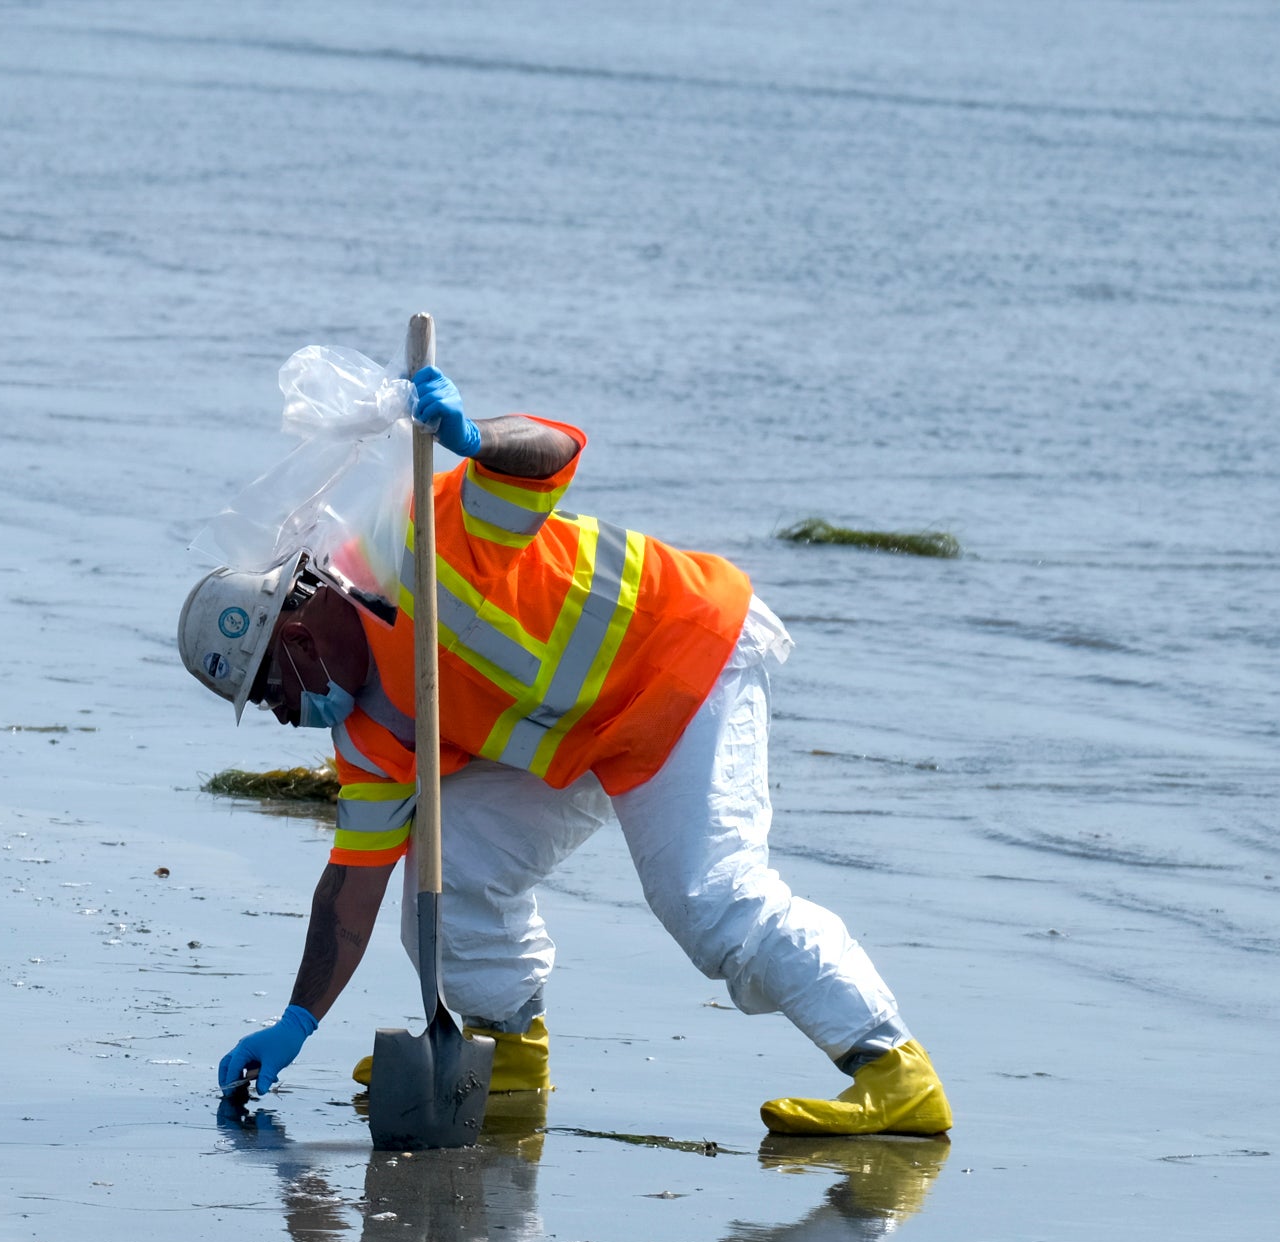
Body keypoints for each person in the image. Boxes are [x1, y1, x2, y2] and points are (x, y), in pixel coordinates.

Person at [177, 362, 952, 1137]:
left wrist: (473, 438)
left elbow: (546, 449)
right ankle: (511, 1049)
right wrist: (295, 1022)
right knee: (452, 869)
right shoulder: (370, 735)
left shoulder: (424, 536)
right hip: (578, 729)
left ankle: (890, 1065)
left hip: (685, 660)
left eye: (270, 690)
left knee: (710, 900)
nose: (282, 715)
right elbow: (349, 894)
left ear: (298, 632)